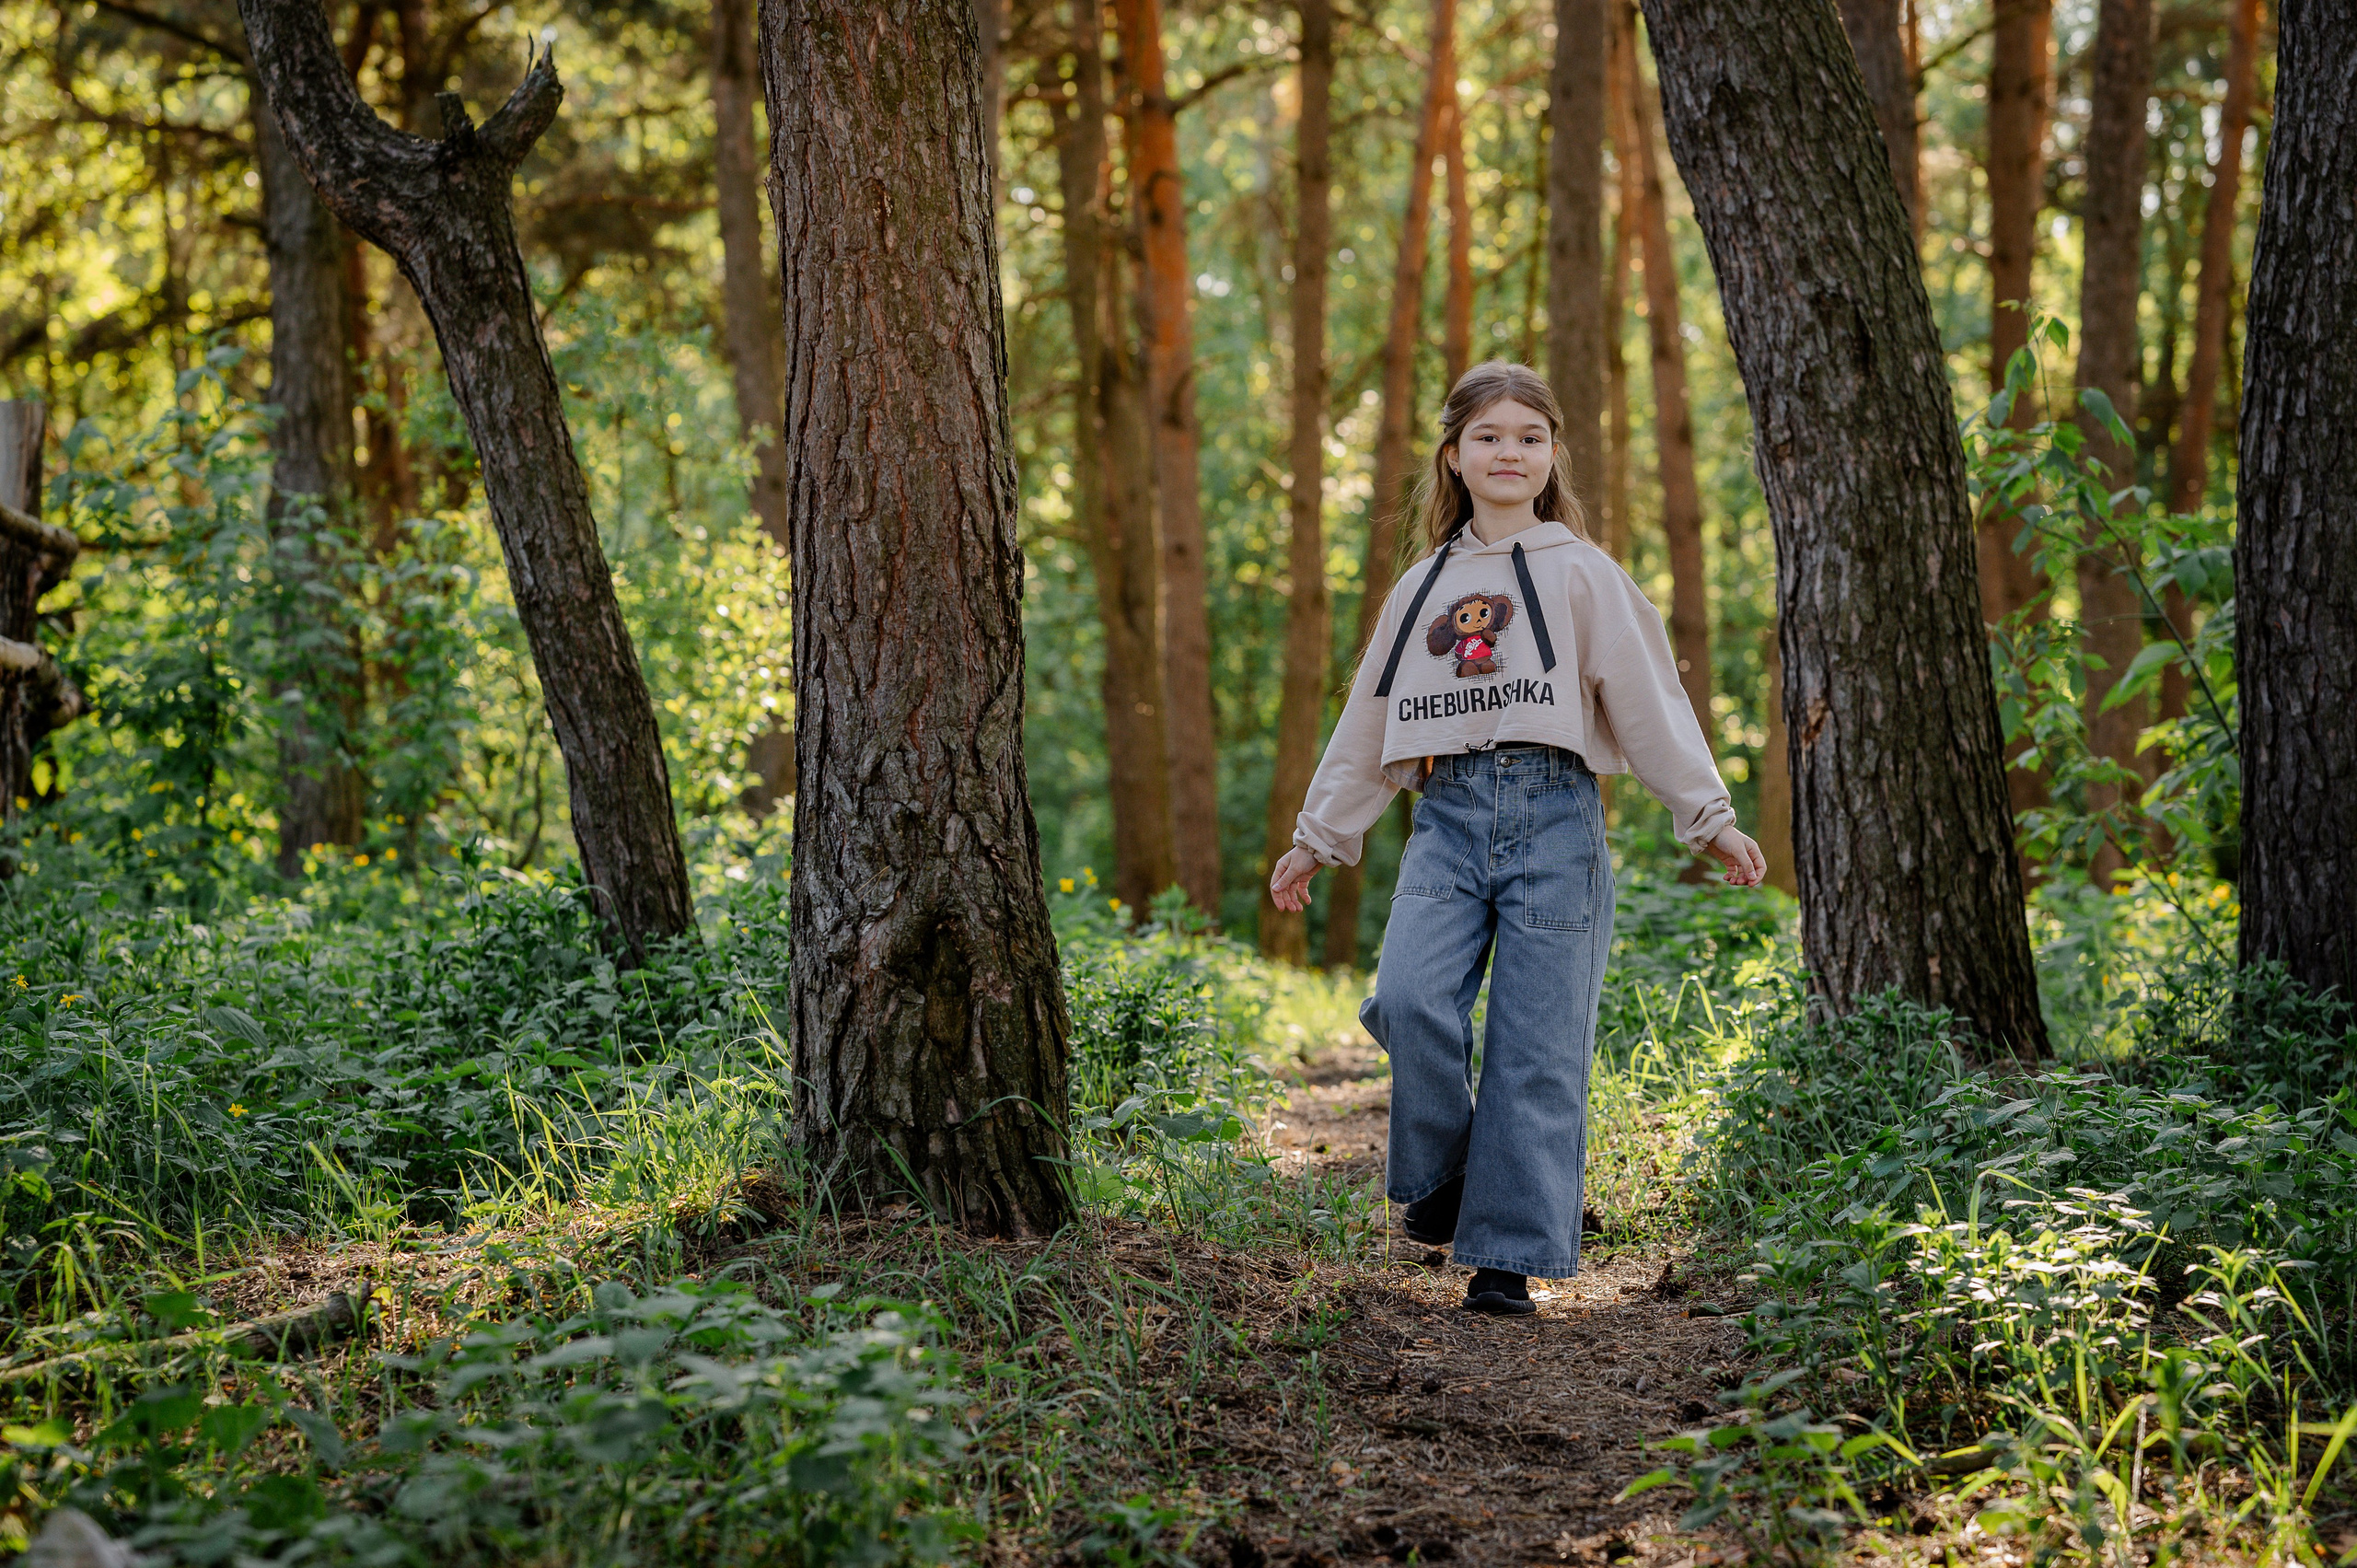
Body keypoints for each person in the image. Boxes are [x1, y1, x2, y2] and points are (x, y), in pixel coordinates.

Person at [1268, 360, 1764, 1317]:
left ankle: (1503, 1259)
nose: (1510, 452)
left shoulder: (1582, 570)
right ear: (1453, 455)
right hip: (1445, 815)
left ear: (1550, 456)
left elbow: (1651, 697)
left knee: (1536, 1046)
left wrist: (1706, 813)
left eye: (1529, 437)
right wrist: (1318, 835)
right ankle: (1442, 1178)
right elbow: (1371, 720)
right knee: (1409, 1000)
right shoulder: (1422, 587)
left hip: (1554, 816)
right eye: (1489, 436)